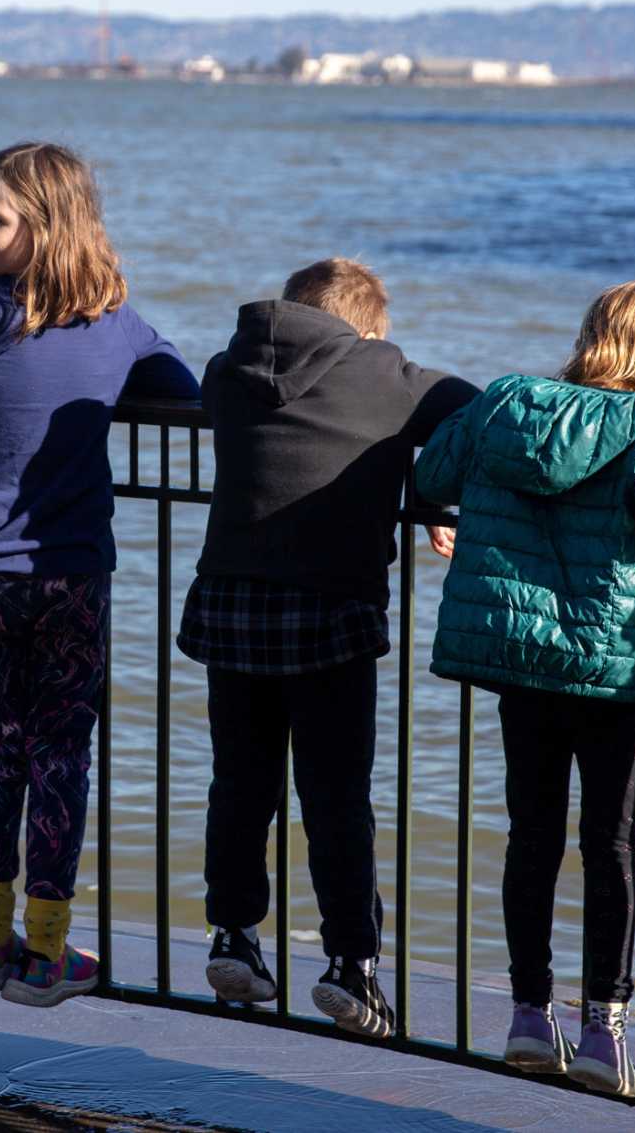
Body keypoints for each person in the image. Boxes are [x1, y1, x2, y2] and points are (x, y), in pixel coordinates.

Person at [414, 280, 635, 1095]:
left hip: (520, 656)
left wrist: (440, 507)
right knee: (611, 840)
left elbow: (434, 464)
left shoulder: (509, 403)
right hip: (612, 665)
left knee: (530, 832)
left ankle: (529, 1015)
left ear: (593, 336)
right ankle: (605, 1031)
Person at [0, 142, 200, 1008]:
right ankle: (46, 955)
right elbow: (184, 389)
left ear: (42, 230)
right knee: (59, 754)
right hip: (73, 571)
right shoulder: (117, 325)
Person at [178, 257, 477, 1036]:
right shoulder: (385, 370)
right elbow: (479, 415)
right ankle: (353, 965)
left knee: (240, 783)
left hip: (233, 605)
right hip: (330, 614)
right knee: (336, 796)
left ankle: (235, 935)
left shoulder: (226, 367)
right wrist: (428, 492)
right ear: (365, 327)